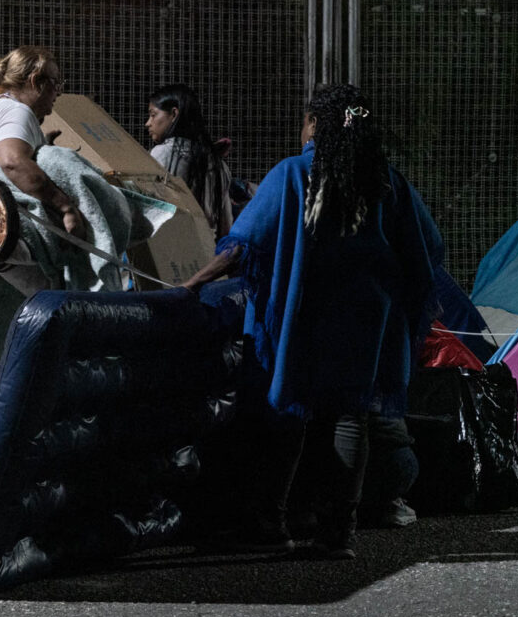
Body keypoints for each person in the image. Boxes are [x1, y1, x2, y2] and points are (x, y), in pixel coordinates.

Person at [183, 84, 443, 558]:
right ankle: (336, 534)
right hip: (368, 318)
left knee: (289, 408)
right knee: (351, 415)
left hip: (305, 312)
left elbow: (244, 245)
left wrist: (192, 282)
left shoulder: (294, 173)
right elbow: (428, 248)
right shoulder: (387, 181)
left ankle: (271, 520)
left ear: (314, 126)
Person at [0, 45, 85, 241]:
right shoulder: (17, 111)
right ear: (36, 81)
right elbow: (12, 161)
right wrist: (66, 207)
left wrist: (44, 151)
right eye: (55, 82)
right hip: (13, 231)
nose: (58, 92)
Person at [145, 85, 234, 239]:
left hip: (171, 247)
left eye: (153, 115)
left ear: (174, 114)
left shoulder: (163, 153)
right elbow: (226, 226)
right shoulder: (220, 165)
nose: (148, 123)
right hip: (207, 250)